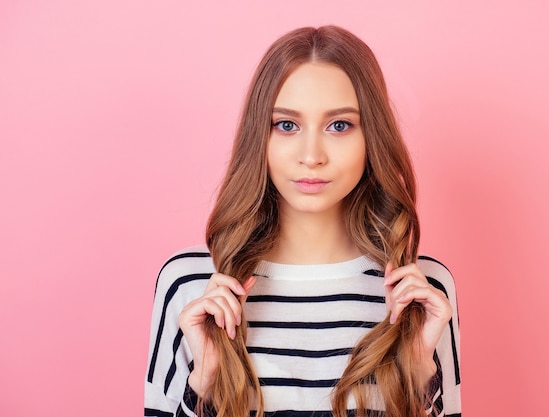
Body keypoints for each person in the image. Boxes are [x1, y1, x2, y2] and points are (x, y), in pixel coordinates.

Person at [145, 25, 461, 417]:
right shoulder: (191, 285)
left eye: (339, 125)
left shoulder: (423, 295)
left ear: (371, 137)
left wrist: (417, 372)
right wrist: (205, 383)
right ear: (258, 136)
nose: (311, 155)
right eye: (287, 125)